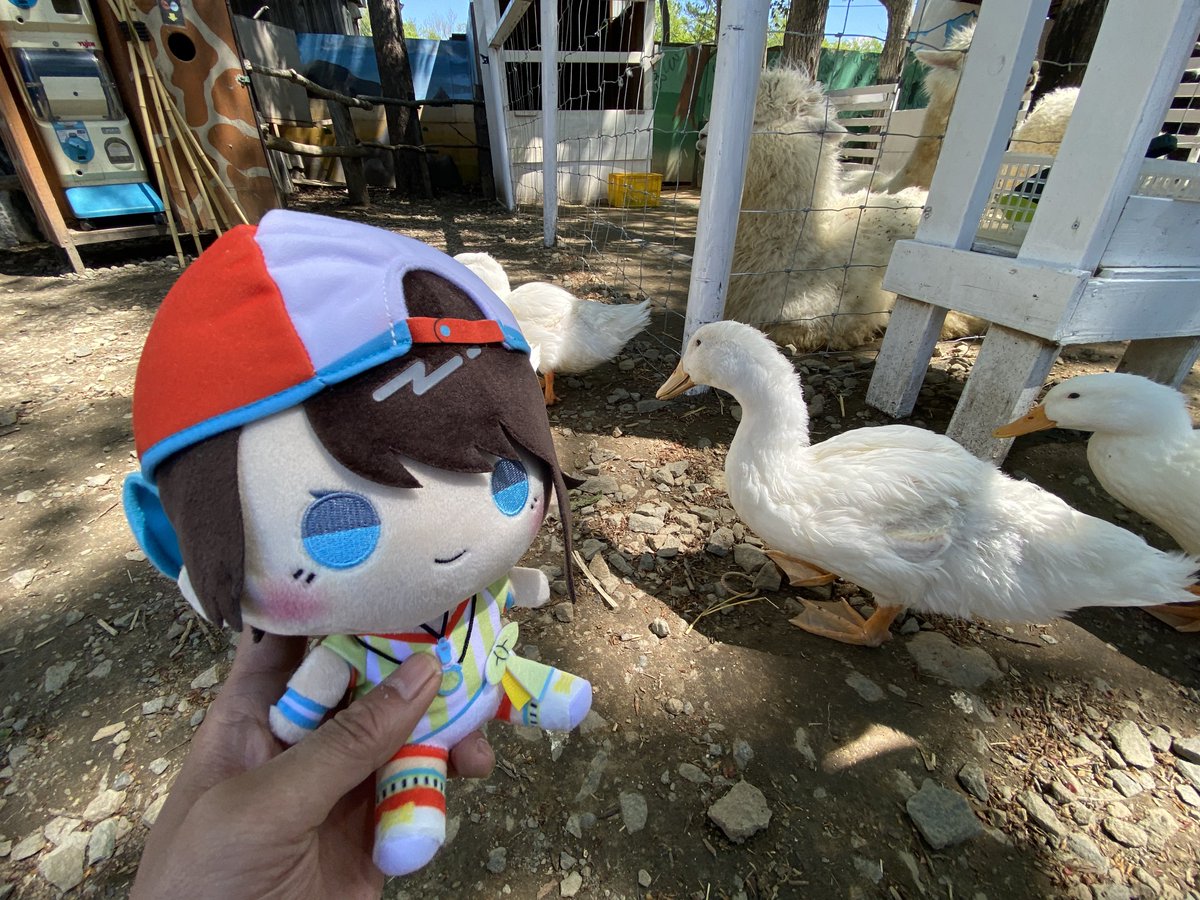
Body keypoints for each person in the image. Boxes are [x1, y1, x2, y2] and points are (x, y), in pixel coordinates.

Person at [131, 631, 495, 899]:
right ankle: (409, 810)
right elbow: (323, 676)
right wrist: (298, 715)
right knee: (413, 781)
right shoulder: (353, 645)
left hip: (492, 678)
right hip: (412, 740)